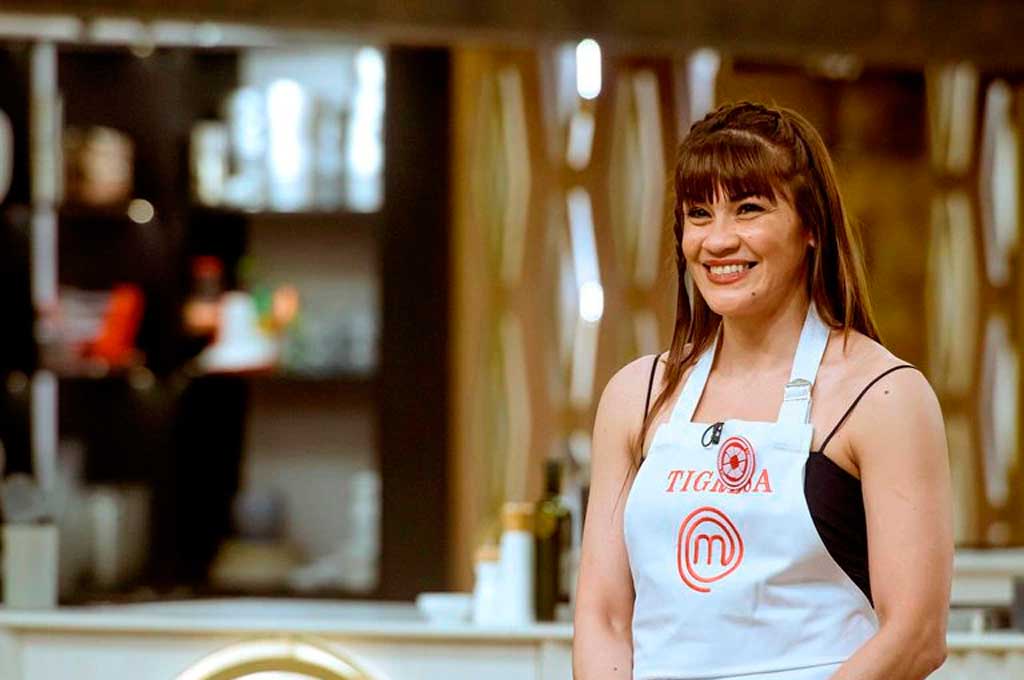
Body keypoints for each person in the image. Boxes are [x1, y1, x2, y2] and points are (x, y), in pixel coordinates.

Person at [572, 101, 953, 680]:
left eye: (748, 209)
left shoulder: (884, 397)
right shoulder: (637, 395)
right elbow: (603, 617)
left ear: (811, 227)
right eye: (699, 214)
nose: (718, 240)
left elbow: (917, 634)